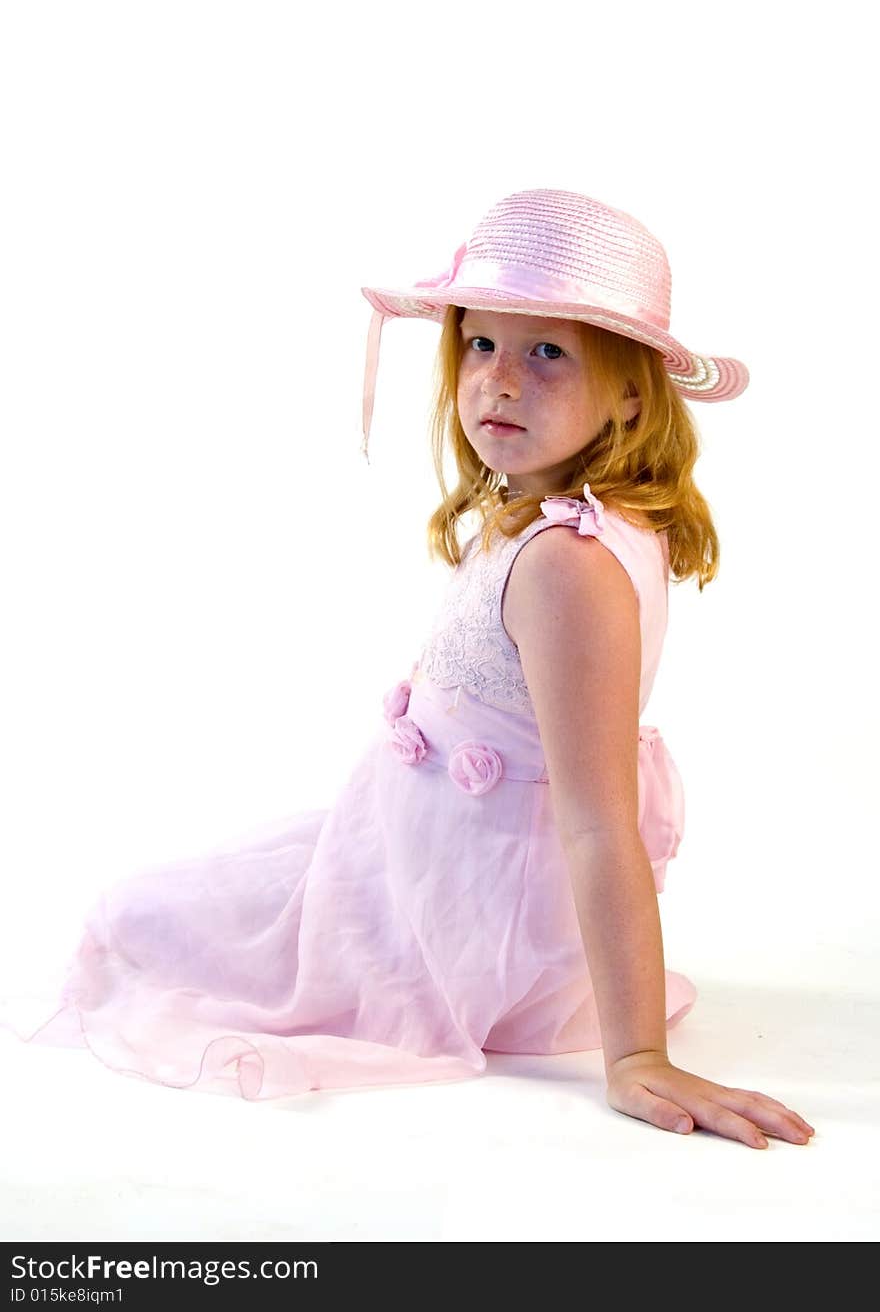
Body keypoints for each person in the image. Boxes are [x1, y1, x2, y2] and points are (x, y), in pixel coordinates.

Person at [1, 187, 814, 1149]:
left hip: (466, 912)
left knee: (142, 922)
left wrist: (635, 1053)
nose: (499, 382)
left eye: (548, 351)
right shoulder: (553, 517)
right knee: (170, 908)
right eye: (481, 344)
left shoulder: (568, 566)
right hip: (421, 851)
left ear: (632, 390)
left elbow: (599, 824)